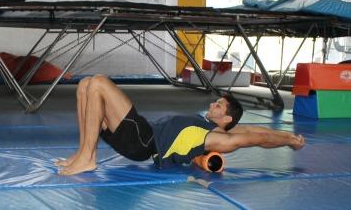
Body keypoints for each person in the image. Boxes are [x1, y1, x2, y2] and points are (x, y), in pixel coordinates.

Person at [56, 75, 305, 175]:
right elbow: (253, 130)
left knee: (99, 82)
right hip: (138, 135)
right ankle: (81, 153)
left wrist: (290, 140)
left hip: (144, 141)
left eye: (219, 105)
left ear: (227, 119)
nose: (213, 104)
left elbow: (257, 137)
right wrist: (289, 136)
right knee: (86, 85)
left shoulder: (216, 138)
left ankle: (88, 158)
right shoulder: (207, 123)